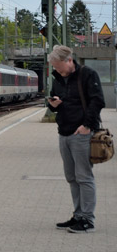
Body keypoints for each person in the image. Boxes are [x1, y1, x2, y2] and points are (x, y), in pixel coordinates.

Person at [47, 45, 104, 233]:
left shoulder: (88, 75)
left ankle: (88, 219)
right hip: (63, 132)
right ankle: (78, 215)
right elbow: (61, 103)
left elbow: (97, 101)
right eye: (54, 67)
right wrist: (54, 105)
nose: (57, 70)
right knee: (72, 177)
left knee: (84, 177)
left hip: (81, 133)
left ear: (69, 60)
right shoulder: (58, 78)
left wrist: (87, 126)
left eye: (58, 67)